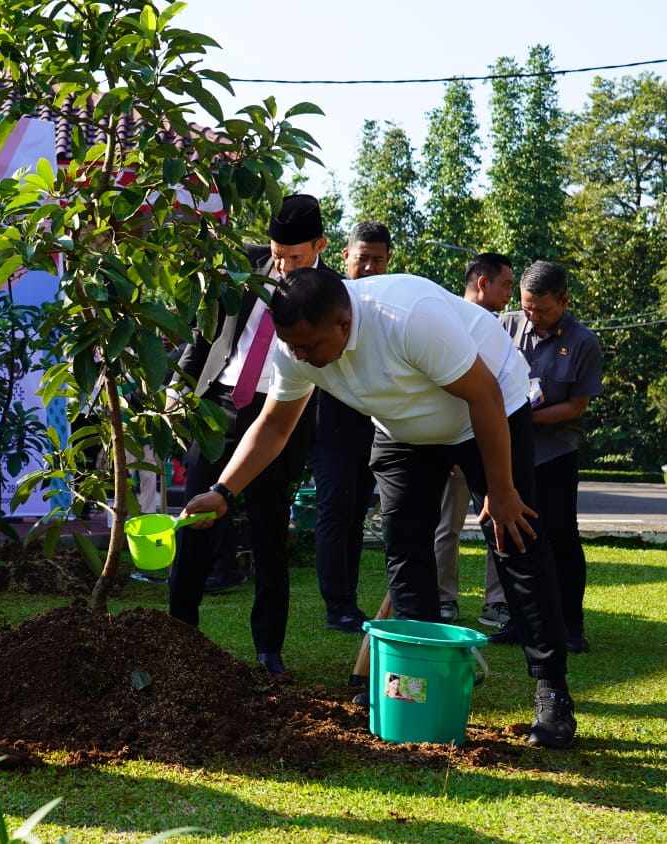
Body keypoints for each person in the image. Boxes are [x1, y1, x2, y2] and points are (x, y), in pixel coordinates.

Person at [182, 267, 577, 749]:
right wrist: (222, 491)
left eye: (306, 346)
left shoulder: (407, 316)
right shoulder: (296, 345)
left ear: (344, 325)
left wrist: (502, 488)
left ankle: (551, 690)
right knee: (405, 552)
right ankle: (416, 685)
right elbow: (274, 426)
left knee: (515, 541)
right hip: (402, 430)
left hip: (486, 412)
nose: (296, 355)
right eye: (291, 345)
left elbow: (484, 393)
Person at [170, 194, 330, 680]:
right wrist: (181, 382)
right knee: (194, 520)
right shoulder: (244, 264)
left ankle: (268, 650)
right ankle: (179, 639)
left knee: (267, 535)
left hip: (280, 415)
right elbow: (207, 331)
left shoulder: (331, 291)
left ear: (320, 246)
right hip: (220, 405)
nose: (282, 265)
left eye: (295, 257)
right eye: (278, 254)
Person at [500, 261, 602, 654]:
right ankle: (519, 620)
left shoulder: (582, 342)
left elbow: (576, 405)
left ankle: (570, 625)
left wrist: (526, 419)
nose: (533, 316)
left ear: (563, 301)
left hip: (554, 455)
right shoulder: (505, 327)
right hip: (509, 453)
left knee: (560, 539)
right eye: (527, 307)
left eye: (541, 309)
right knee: (513, 540)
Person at [311, 221, 386, 633]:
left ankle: (348, 601)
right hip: (332, 429)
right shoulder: (326, 296)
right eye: (363, 258)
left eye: (378, 259)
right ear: (345, 256)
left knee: (356, 516)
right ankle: (336, 605)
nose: (371, 267)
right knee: (335, 514)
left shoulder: (389, 304)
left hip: (374, 430)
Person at [433, 253, 515, 625]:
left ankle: (497, 602)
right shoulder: (446, 321)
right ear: (483, 283)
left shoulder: (505, 327)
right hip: (451, 442)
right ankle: (443, 599)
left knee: (497, 520)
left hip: (491, 445)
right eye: (506, 284)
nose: (510, 294)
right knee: (445, 526)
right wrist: (447, 443)